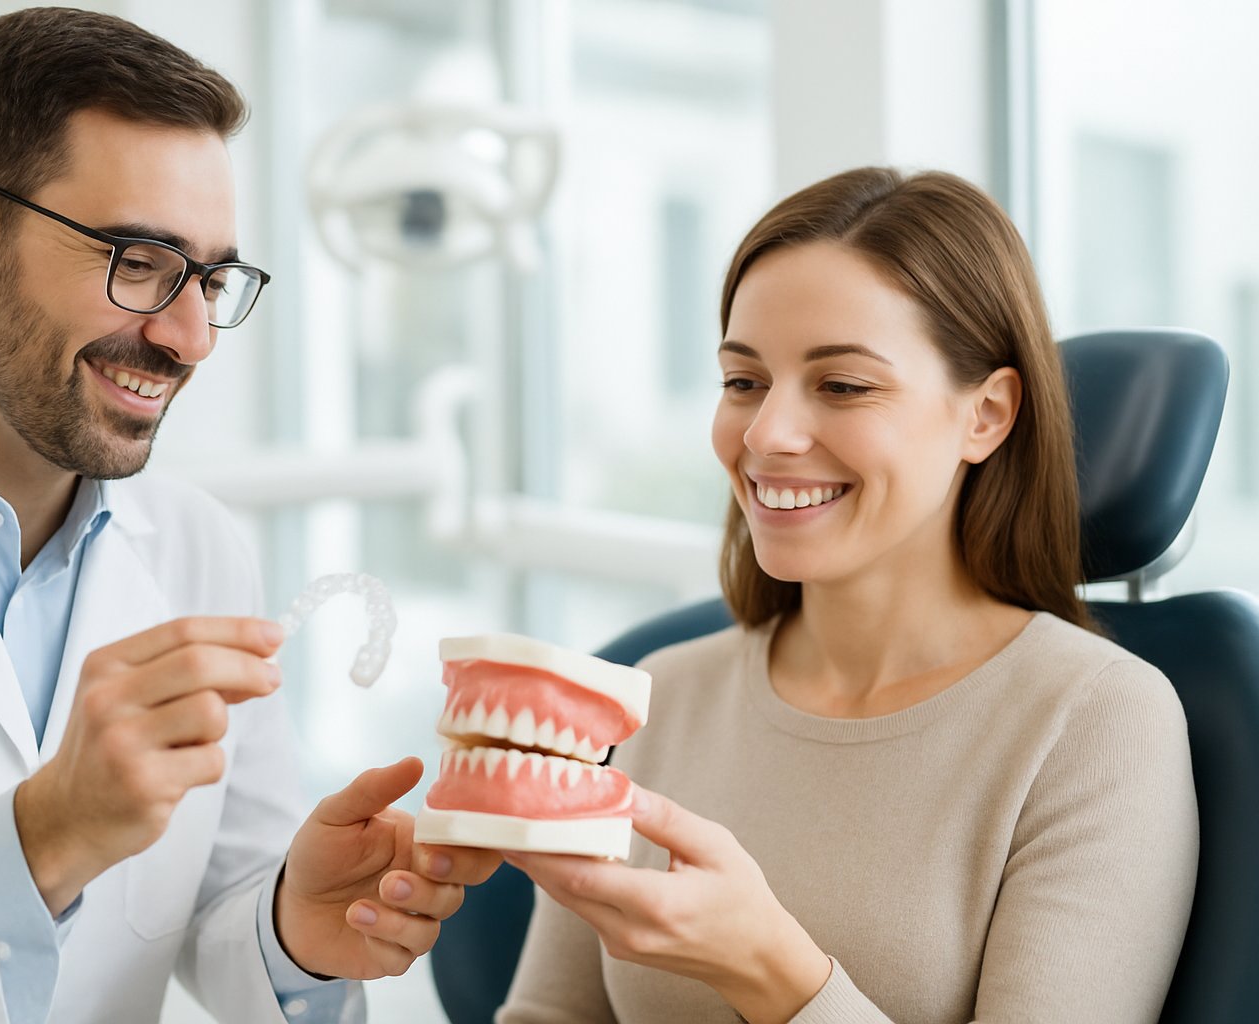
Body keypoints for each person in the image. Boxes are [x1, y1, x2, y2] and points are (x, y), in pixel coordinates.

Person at [0, 9, 497, 1023]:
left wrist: (290, 925)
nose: (190, 338)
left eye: (211, 279)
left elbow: (206, 909)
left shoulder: (195, 547)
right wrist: (45, 835)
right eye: (138, 259)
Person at [496, 167, 1199, 1023]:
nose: (765, 434)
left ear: (986, 414)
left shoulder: (1095, 720)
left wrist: (771, 969)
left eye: (842, 386)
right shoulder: (664, 694)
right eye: (743, 381)